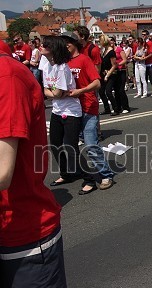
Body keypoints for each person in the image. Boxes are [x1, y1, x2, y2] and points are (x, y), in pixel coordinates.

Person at [0, 40, 70, 288]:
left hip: (21, 233)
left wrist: (64, 93)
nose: (40, 49)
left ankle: (93, 176)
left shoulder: (7, 74)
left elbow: (3, 171)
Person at [40, 36, 95, 195]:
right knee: (55, 145)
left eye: (45, 45)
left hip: (71, 112)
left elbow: (56, 93)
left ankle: (89, 178)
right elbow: (47, 91)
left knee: (70, 147)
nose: (41, 46)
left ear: (53, 48)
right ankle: (66, 174)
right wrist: (54, 94)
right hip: (57, 110)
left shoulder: (62, 68)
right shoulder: (47, 66)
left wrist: (53, 94)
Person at [62, 34, 115, 191]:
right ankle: (82, 174)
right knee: (68, 145)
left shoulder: (84, 60)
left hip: (88, 107)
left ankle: (106, 175)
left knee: (91, 144)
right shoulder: (64, 63)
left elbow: (97, 83)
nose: (64, 46)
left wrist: (81, 90)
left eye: (67, 43)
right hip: (71, 110)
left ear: (74, 44)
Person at [98, 34, 119, 116]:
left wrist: (107, 75)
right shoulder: (104, 51)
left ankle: (116, 108)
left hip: (111, 74)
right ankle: (107, 108)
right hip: (103, 74)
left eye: (100, 41)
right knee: (101, 91)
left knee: (108, 91)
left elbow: (114, 65)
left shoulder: (111, 52)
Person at [112, 37, 130, 114]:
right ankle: (118, 107)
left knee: (121, 90)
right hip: (114, 72)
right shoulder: (109, 51)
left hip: (121, 70)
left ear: (114, 41)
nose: (111, 42)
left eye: (112, 41)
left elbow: (125, 59)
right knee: (116, 90)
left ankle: (126, 107)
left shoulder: (119, 49)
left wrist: (118, 64)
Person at [142, 30, 152, 97]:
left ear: (148, 35)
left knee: (151, 77)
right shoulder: (142, 43)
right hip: (143, 63)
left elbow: (151, 53)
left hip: (150, 63)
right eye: (142, 34)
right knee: (144, 78)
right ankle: (145, 91)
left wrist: (145, 58)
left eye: (145, 34)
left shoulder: (150, 43)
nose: (143, 36)